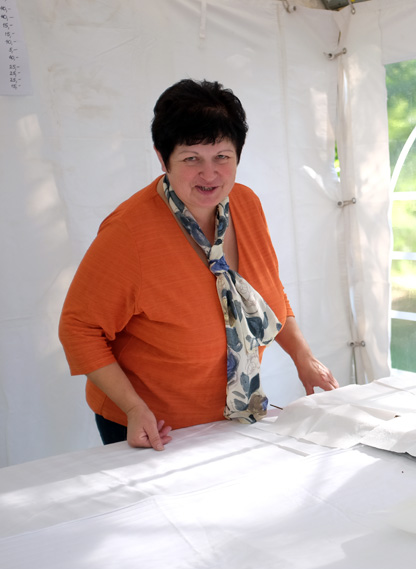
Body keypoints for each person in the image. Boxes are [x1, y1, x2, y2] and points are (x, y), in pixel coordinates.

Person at [59, 79, 338, 451]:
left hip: (235, 416)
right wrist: (133, 407)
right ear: (163, 159)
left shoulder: (246, 204)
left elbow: (267, 292)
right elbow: (79, 329)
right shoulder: (129, 233)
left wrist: (303, 357)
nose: (209, 174)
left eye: (222, 156)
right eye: (191, 158)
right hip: (155, 426)